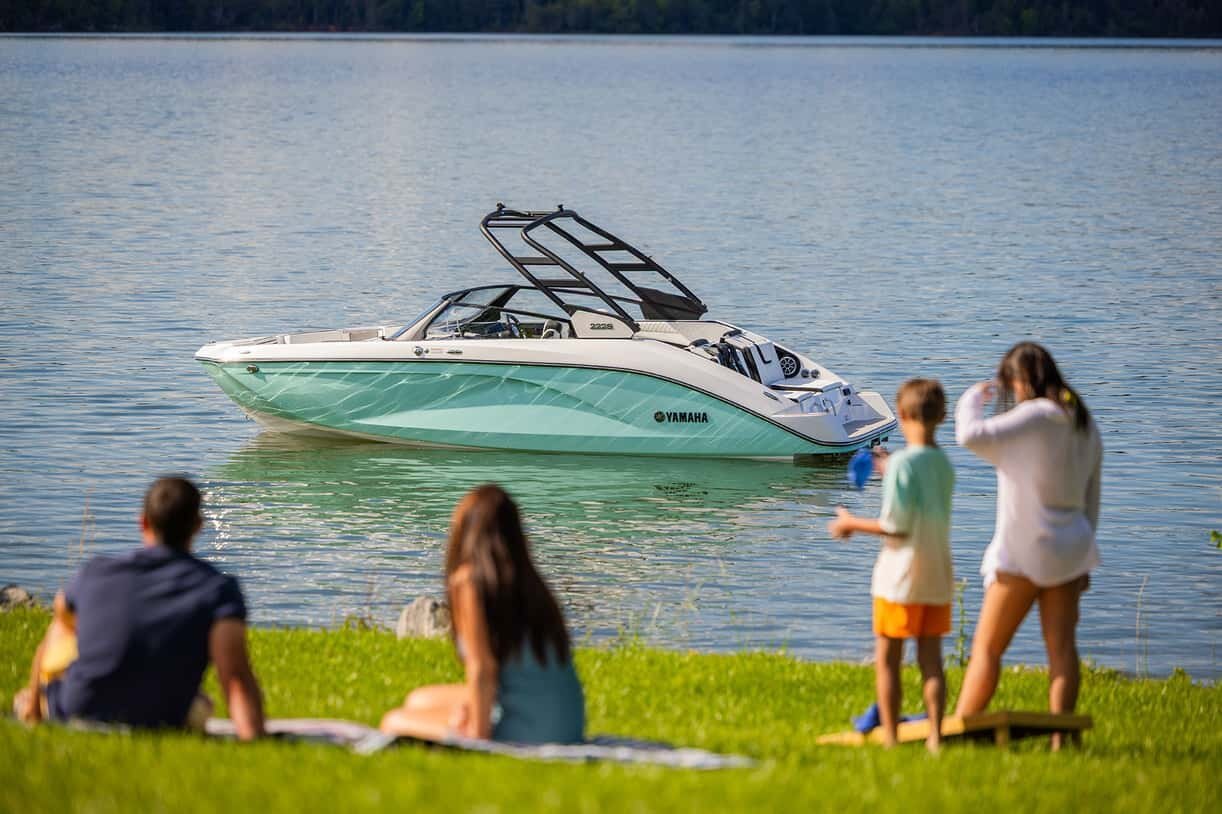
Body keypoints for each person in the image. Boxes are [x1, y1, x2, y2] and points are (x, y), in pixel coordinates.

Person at [13, 477, 264, 740]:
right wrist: (252, 736)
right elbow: (234, 675)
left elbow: (52, 640)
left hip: (79, 707)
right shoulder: (217, 589)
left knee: (62, 625)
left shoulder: (94, 573)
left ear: (143, 522)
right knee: (202, 704)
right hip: (161, 715)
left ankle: (33, 706)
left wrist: (34, 705)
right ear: (198, 526)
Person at [953, 342, 1101, 747]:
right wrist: (1084, 557)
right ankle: (1062, 739)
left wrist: (972, 398)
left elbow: (970, 435)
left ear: (1022, 380)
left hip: (1023, 547)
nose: (1012, 393)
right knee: (1062, 650)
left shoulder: (1034, 414)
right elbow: (1092, 496)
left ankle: (960, 730)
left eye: (1010, 384)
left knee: (987, 648)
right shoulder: (1083, 421)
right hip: (1071, 547)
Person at [381, 484, 585, 744]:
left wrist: (477, 735)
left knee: (393, 721)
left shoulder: (470, 581)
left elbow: (481, 668)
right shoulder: (531, 583)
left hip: (530, 730)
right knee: (418, 699)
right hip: (568, 724)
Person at [829, 379, 955, 751]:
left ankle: (891, 739)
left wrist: (850, 523)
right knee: (931, 660)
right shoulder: (942, 464)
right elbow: (918, 487)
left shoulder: (902, 464)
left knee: (888, 659)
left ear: (900, 414)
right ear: (942, 417)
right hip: (936, 576)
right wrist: (889, 467)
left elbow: (895, 527)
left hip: (900, 578)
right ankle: (935, 737)